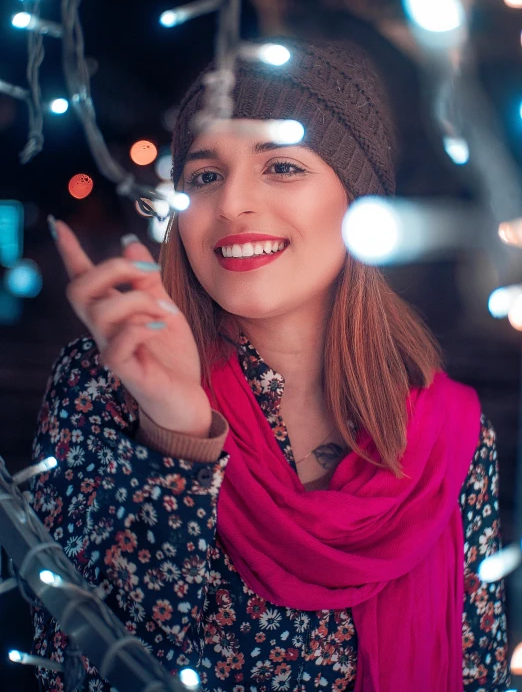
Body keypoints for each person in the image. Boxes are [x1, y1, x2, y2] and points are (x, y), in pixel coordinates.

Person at [31, 38, 509, 692]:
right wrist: (175, 433)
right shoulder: (108, 382)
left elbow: (476, 671)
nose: (231, 204)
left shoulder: (450, 432)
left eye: (281, 166)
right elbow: (79, 669)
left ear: (357, 198)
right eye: (204, 175)